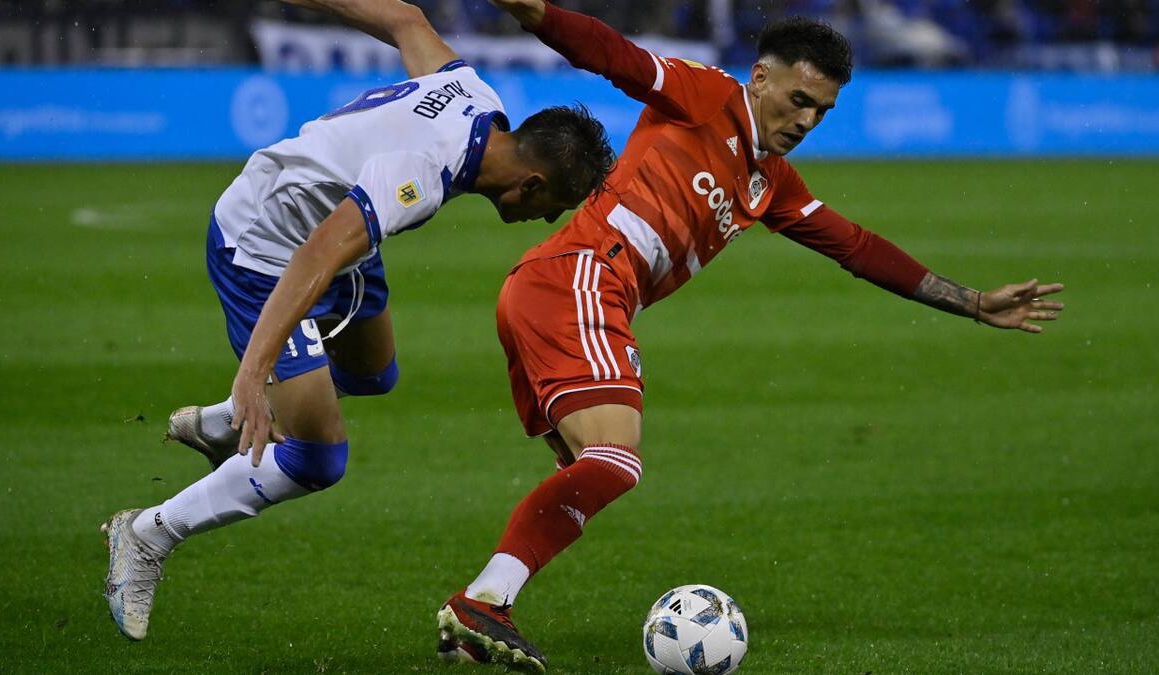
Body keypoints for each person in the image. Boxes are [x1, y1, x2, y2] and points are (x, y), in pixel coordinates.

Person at [434, 2, 1065, 672]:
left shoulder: (771, 183)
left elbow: (855, 245)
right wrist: (533, 11)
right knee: (615, 460)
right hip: (582, 277)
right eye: (798, 99)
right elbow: (611, 53)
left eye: (820, 110)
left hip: (560, 288)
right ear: (759, 78)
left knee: (594, 469)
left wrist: (969, 300)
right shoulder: (703, 96)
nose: (805, 120)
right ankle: (483, 602)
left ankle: (481, 610)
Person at [99, 0, 614, 642]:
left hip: (337, 234)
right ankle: (147, 534)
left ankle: (224, 425)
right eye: (552, 210)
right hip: (265, 246)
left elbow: (405, 19)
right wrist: (253, 374)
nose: (544, 223)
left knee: (373, 371)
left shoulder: (473, 94)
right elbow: (316, 254)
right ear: (531, 186)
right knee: (317, 457)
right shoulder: (423, 175)